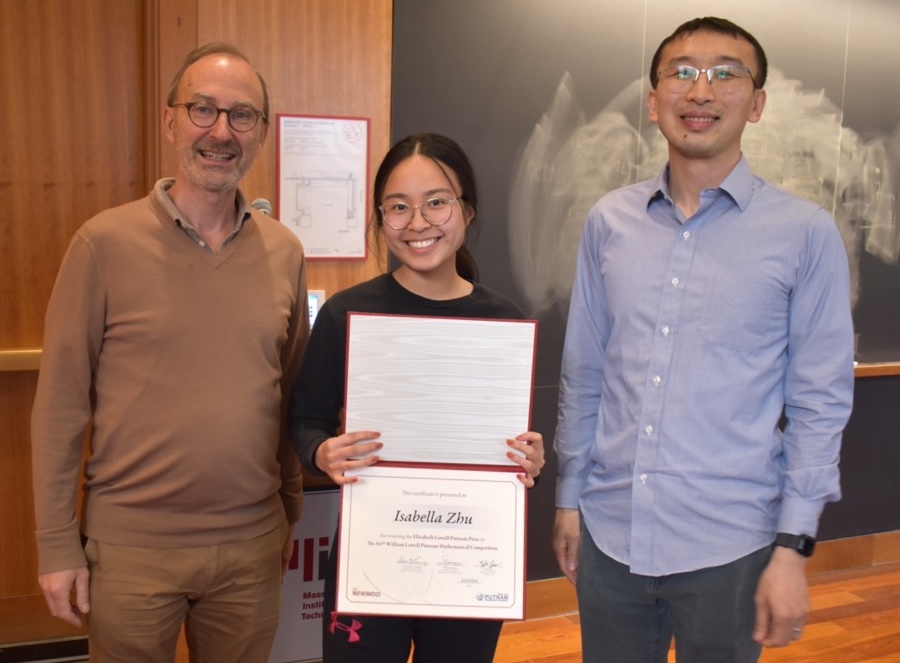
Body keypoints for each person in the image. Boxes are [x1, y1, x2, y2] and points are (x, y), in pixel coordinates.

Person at [552, 16, 855, 663]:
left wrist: (793, 548)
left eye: (726, 74)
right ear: (653, 99)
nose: (701, 91)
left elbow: (819, 401)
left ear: (757, 102)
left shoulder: (804, 233)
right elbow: (585, 372)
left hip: (732, 547)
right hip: (610, 533)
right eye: (682, 73)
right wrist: (568, 499)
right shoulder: (610, 222)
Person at [31, 42, 309, 663]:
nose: (221, 131)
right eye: (202, 109)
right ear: (170, 120)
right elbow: (60, 408)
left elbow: (289, 390)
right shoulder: (102, 244)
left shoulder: (285, 251)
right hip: (131, 551)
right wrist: (55, 545)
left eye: (242, 115)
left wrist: (289, 505)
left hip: (251, 545)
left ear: (261, 132)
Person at [288, 132, 545, 663]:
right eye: (398, 207)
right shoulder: (345, 313)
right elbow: (303, 419)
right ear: (381, 217)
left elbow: (515, 448)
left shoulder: (505, 322)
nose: (418, 222)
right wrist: (321, 451)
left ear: (466, 211)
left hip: (470, 561)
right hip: (371, 555)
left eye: (436, 203)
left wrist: (531, 458)